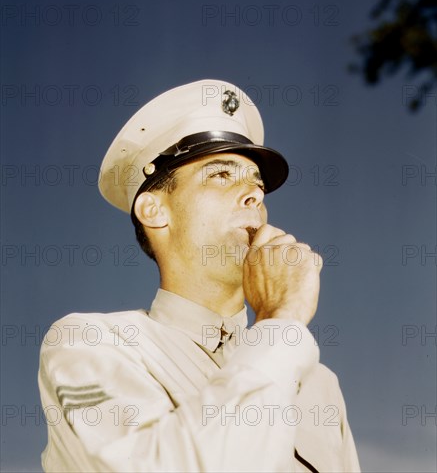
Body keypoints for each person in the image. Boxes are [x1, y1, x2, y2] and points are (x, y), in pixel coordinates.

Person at [38, 79, 360, 472]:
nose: (254, 195)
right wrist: (282, 321)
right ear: (154, 210)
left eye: (257, 185)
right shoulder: (90, 344)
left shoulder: (318, 384)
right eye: (221, 175)